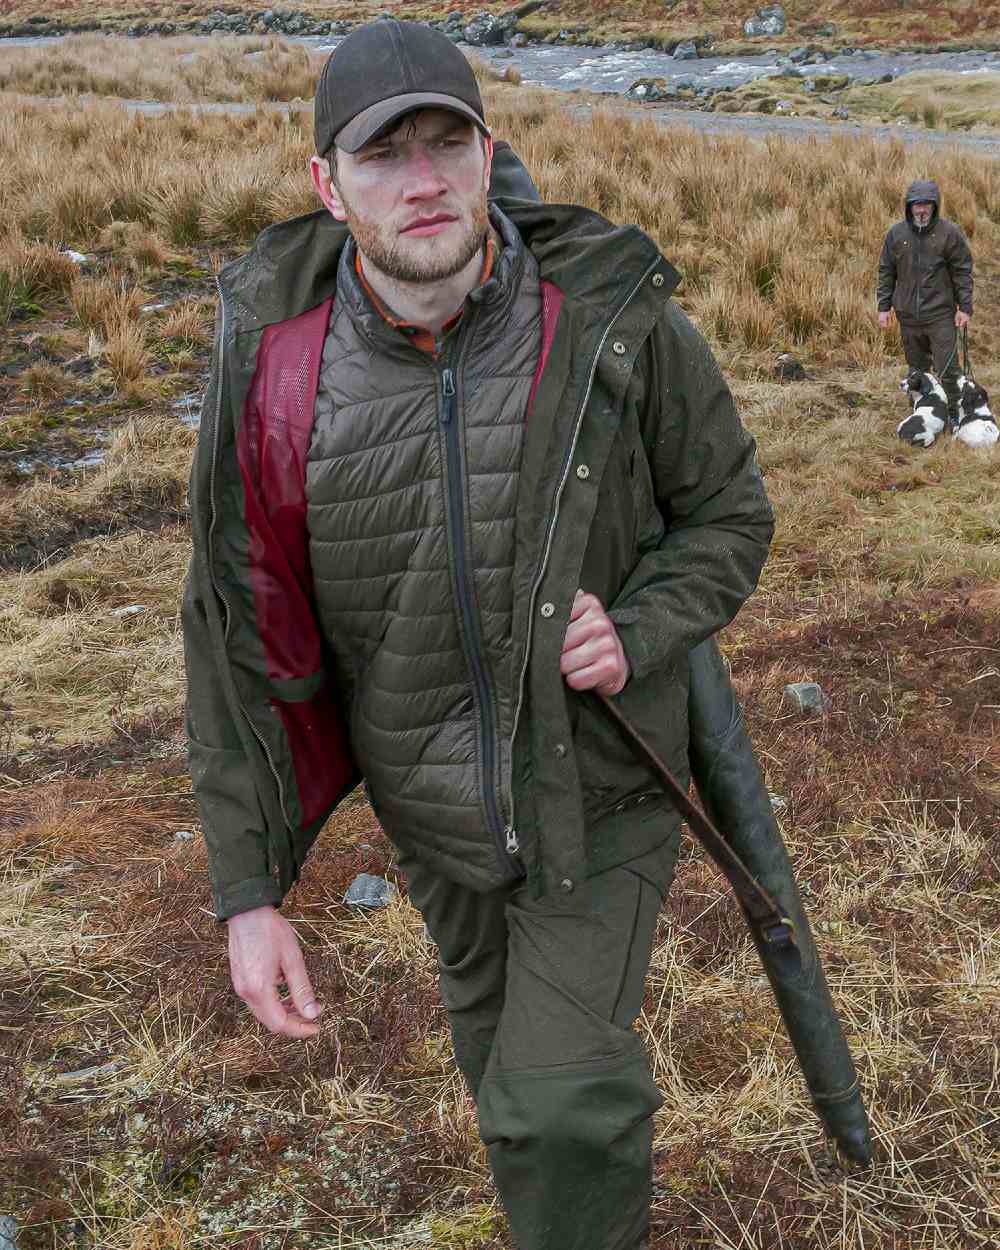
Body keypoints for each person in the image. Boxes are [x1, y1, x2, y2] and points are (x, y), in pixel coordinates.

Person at [182, 19, 773, 1249]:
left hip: (602, 787)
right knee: (506, 1083)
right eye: (382, 153)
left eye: (444, 141)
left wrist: (644, 622)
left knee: (558, 1101)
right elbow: (231, 640)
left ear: (485, 150)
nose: (422, 176)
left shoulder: (610, 322)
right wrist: (250, 889)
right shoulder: (276, 375)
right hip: (430, 815)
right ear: (325, 186)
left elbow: (728, 512)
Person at [877, 179, 974, 428]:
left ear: (935, 206)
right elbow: (886, 271)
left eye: (926, 205)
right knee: (916, 370)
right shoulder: (896, 234)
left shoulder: (949, 233)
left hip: (940, 314)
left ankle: (954, 414)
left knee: (947, 368)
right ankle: (922, 413)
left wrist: (964, 307)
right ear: (908, 207)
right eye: (916, 205)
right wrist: (883, 306)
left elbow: (962, 271)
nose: (921, 210)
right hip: (908, 315)